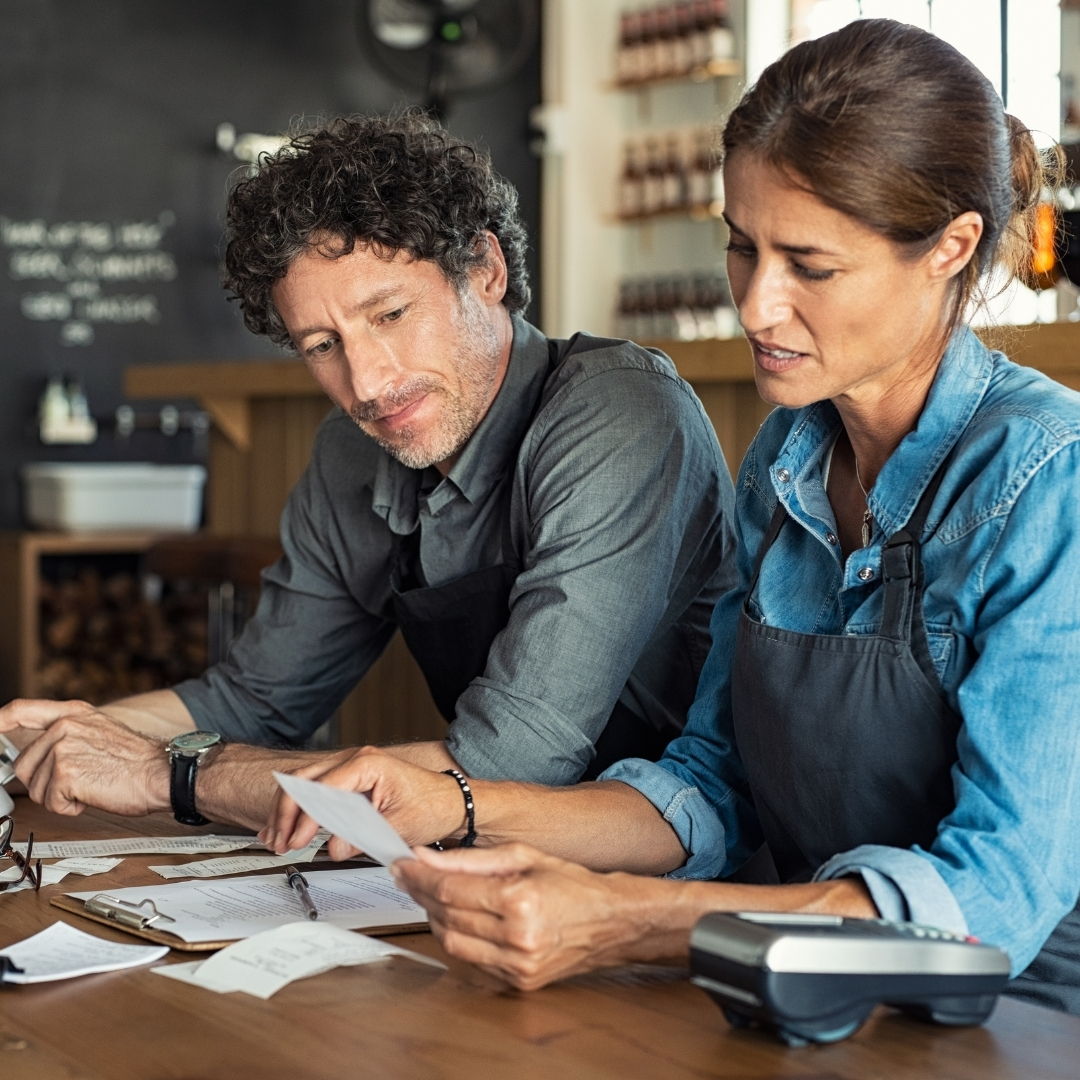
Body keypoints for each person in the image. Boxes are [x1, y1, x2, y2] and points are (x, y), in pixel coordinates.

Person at [264, 21, 1080, 1014]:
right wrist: (455, 806)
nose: (756, 304)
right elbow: (712, 784)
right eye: (742, 247)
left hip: (1024, 1015)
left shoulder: (1049, 481)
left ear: (950, 248)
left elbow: (997, 899)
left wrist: (626, 923)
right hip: (801, 983)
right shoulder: (787, 460)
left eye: (809, 266)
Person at [0, 114, 735, 825]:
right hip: (497, 871)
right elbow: (256, 699)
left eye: (389, 315)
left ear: (484, 269)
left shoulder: (620, 414)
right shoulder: (352, 452)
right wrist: (51, 741)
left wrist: (169, 775)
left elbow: (512, 761)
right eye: (322, 345)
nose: (369, 383)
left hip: (689, 876)